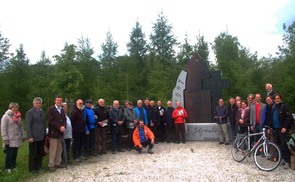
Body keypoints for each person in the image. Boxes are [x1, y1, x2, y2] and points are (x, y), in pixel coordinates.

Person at [269, 94, 294, 169]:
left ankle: (287, 161)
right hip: (275, 129)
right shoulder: (274, 107)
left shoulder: (284, 106)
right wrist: (270, 127)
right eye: (275, 99)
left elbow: (289, 117)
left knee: (283, 144)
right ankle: (282, 158)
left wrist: (285, 127)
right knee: (279, 145)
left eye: (278, 98)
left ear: (280, 99)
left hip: (282, 129)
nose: (277, 100)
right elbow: (272, 118)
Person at [1, 102, 26, 174]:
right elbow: (3, 128)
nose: (15, 109)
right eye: (14, 108)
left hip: (17, 138)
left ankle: (13, 166)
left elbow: (21, 127)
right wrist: (5, 139)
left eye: (16, 108)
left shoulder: (18, 116)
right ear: (10, 108)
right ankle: (7, 167)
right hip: (10, 138)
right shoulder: (6, 116)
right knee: (9, 154)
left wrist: (23, 136)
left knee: (15, 154)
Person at [26, 97, 47, 174]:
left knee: (40, 152)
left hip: (41, 136)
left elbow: (44, 123)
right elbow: (28, 125)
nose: (38, 105)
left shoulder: (42, 112)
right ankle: (32, 168)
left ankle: (38, 166)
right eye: (37, 103)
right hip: (34, 136)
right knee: (33, 153)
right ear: (33, 103)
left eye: (39, 103)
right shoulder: (30, 112)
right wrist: (30, 136)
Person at [47, 95, 66, 171]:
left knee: (59, 148)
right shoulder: (51, 109)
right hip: (54, 132)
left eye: (60, 100)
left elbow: (64, 119)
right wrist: (59, 127)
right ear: (55, 101)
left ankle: (57, 162)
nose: (59, 102)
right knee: (53, 149)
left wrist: (64, 126)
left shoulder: (61, 110)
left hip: (60, 133)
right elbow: (51, 121)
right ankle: (50, 164)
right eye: (58, 100)